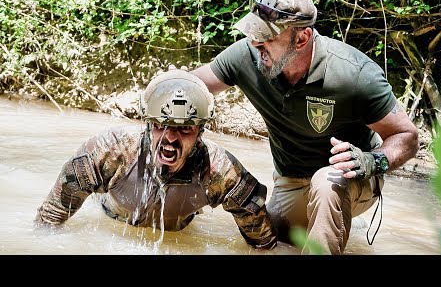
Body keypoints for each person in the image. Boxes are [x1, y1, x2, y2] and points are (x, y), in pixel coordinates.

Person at [192, 0, 419, 255]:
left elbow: (407, 137)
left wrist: (372, 161)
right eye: (254, 33)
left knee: (327, 181)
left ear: (302, 38)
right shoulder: (246, 56)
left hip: (350, 178)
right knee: (266, 241)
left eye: (266, 37)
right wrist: (157, 95)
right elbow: (190, 85)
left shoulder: (354, 75)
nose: (255, 44)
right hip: (291, 180)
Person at [34, 66, 277, 250]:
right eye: (162, 126)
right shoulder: (110, 151)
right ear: (148, 125)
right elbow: (49, 220)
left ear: (200, 133)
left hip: (180, 229)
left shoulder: (219, 171)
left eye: (185, 129)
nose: (170, 138)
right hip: (112, 220)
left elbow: (264, 244)